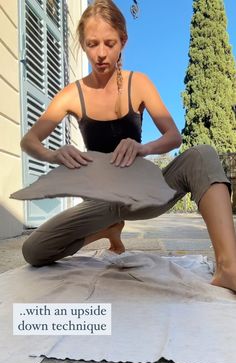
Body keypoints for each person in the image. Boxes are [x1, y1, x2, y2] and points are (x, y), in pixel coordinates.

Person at [20, 0, 236, 293]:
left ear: (123, 41)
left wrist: (142, 148)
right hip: (101, 202)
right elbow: (29, 140)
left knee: (203, 155)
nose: (100, 53)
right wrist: (53, 154)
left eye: (109, 43)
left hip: (144, 192)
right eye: (92, 44)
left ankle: (229, 267)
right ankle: (106, 230)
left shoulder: (139, 83)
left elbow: (173, 136)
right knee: (33, 251)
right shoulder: (72, 95)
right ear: (83, 45)